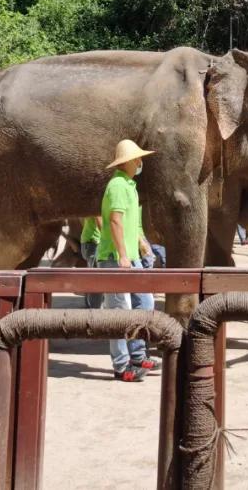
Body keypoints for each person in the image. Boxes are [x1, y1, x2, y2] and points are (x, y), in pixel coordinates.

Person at [97, 139, 159, 382]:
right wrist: (123, 253)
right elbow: (115, 220)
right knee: (120, 313)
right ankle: (122, 367)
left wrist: (143, 246)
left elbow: (135, 224)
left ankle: (137, 354)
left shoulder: (130, 186)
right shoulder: (118, 186)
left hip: (130, 258)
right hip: (115, 259)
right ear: (129, 162)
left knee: (145, 304)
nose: (140, 162)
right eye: (137, 158)